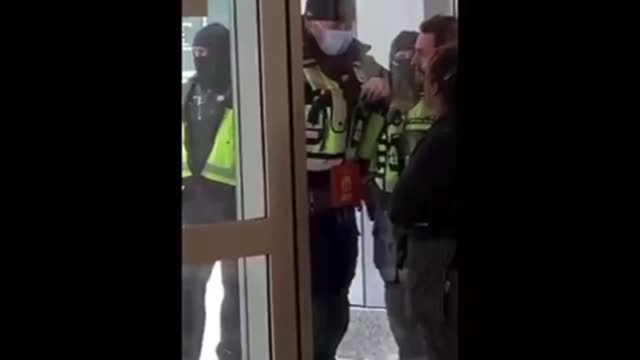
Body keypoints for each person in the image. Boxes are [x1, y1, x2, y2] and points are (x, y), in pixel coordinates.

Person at [302, 0, 390, 358]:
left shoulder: (361, 63)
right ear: (308, 22)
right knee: (314, 310)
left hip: (341, 206)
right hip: (300, 207)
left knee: (335, 305)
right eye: (330, 21)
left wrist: (387, 83)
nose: (339, 29)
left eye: (345, 21)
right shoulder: (284, 64)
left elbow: (404, 91)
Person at [363, 30, 434, 360]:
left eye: (417, 57)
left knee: (426, 325)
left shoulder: (440, 104)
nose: (410, 65)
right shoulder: (380, 101)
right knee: (402, 321)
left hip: (428, 231)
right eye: (403, 58)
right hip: (389, 227)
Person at [390, 44, 458, 360]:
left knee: (437, 340)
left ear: (437, 86)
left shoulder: (443, 138)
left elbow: (404, 204)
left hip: (438, 259)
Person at [181, 23, 241, 360]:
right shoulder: (188, 92)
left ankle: (233, 354)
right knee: (188, 292)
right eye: (197, 54)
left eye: (209, 53)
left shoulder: (244, 92)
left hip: (236, 207)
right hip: (193, 206)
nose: (202, 61)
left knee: (237, 293)